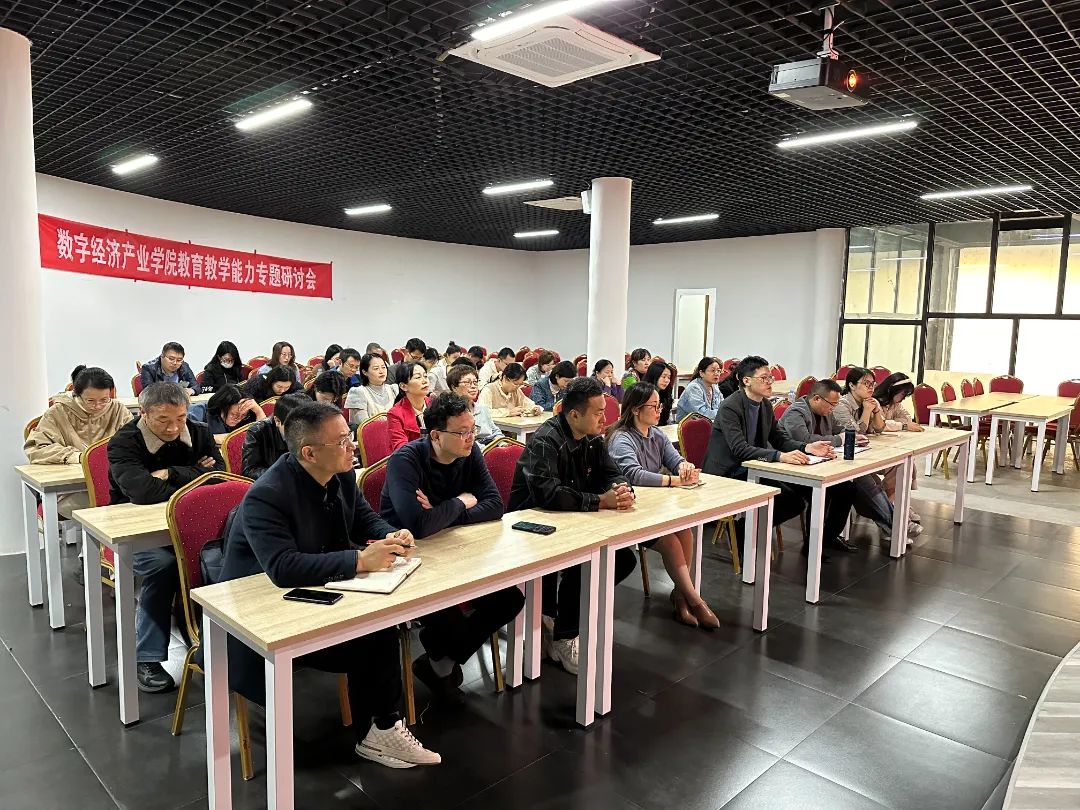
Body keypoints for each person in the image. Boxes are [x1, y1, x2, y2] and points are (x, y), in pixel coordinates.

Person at [219, 402, 440, 768]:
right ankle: (380, 730)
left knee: (379, 627)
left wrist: (392, 534)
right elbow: (282, 568)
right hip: (261, 616)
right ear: (309, 453)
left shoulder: (340, 475)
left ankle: (380, 729)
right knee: (374, 637)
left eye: (349, 436)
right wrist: (359, 561)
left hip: (316, 592)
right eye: (342, 441)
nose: (352, 446)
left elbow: (363, 519)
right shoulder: (266, 494)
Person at [380, 393, 524, 703]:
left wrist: (441, 513)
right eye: (462, 432)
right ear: (435, 435)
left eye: (472, 430)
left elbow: (495, 506)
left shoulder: (470, 453)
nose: (471, 438)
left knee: (510, 599)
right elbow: (418, 526)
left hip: (456, 551)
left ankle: (437, 660)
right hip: (410, 560)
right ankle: (438, 658)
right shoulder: (406, 460)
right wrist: (460, 501)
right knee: (449, 619)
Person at [508, 377, 638, 675]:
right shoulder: (546, 440)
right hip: (532, 525)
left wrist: (620, 488)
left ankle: (562, 623)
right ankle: (565, 634)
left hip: (573, 520)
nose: (605, 419)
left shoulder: (593, 438)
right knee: (584, 560)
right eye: (598, 413)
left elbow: (612, 472)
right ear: (574, 415)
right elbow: (549, 495)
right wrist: (600, 501)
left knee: (621, 559)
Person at [107, 382, 224, 692]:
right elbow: (142, 492)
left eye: (181, 418)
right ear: (143, 413)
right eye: (163, 420)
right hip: (135, 531)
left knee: (222, 555)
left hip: (188, 524)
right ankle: (146, 657)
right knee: (165, 566)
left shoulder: (198, 431)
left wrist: (171, 473)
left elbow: (218, 478)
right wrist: (194, 472)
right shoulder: (124, 442)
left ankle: (217, 642)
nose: (174, 428)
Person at [701, 357, 858, 555]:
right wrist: (779, 456)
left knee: (839, 489)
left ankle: (820, 543)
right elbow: (740, 449)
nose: (770, 382)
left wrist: (807, 447)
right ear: (746, 380)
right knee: (791, 501)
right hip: (729, 470)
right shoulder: (731, 407)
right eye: (764, 378)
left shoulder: (765, 405)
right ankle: (745, 531)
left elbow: (779, 438)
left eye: (771, 378)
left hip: (756, 466)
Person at [607, 383, 719, 629]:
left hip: (654, 508)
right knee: (671, 543)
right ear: (636, 409)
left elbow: (675, 459)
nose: (660, 411)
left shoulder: (656, 434)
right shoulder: (621, 438)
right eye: (654, 406)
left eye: (660, 405)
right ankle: (695, 600)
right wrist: (674, 481)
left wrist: (684, 467)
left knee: (685, 532)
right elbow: (633, 474)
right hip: (628, 510)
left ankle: (680, 595)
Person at [780, 380, 918, 542]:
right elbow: (805, 440)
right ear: (817, 399)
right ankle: (896, 525)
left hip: (821, 463)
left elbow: (840, 430)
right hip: (793, 468)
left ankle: (830, 538)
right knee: (853, 483)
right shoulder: (796, 413)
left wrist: (853, 437)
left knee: (850, 487)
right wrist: (841, 439)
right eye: (831, 404)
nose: (833, 408)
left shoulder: (828, 410)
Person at [25, 365, 132, 517]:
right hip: (72, 489)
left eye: (104, 400)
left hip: (115, 483)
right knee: (111, 508)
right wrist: (76, 456)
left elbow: (135, 443)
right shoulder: (58, 413)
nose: (98, 406)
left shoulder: (118, 410)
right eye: (90, 401)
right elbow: (37, 448)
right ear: (77, 394)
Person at [241, 393, 308, 480]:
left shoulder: (315, 428)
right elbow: (249, 471)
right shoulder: (258, 432)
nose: (301, 433)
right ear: (277, 421)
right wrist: (283, 474)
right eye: (295, 428)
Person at [448, 363, 503, 446]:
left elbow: (495, 431)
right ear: (454, 387)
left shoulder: (482, 408)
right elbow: (461, 441)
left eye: (475, 382)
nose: (473, 386)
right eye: (467, 382)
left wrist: (502, 444)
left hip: (490, 446)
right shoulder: (451, 412)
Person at [345, 353, 399, 427]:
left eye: (383, 367)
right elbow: (364, 426)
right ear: (364, 372)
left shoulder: (394, 389)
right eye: (376, 368)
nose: (381, 371)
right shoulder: (358, 392)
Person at [387, 362, 430, 450]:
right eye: (418, 377)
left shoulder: (434, 404)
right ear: (403, 386)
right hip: (413, 456)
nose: (425, 381)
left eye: (425, 376)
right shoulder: (395, 414)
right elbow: (401, 448)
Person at [833, 367, 886, 436]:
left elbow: (879, 429)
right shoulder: (841, 404)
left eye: (872, 384)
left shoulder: (872, 401)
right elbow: (854, 433)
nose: (871, 387)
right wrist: (867, 411)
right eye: (866, 383)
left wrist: (876, 411)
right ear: (852, 385)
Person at [675, 357, 723, 422]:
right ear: (701, 373)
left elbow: (722, 405)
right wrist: (724, 413)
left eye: (718, 371)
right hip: (688, 425)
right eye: (713, 370)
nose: (717, 373)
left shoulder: (715, 386)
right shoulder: (694, 388)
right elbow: (701, 414)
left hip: (710, 423)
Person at [642, 360, 677, 425]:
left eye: (669, 377)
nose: (667, 380)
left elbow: (666, 419)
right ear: (653, 375)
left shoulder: (666, 393)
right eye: (663, 377)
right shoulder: (643, 393)